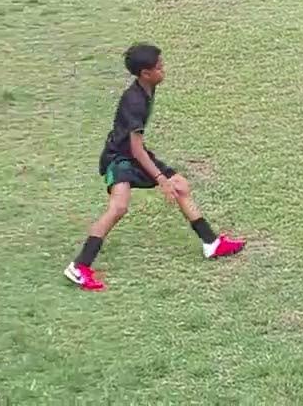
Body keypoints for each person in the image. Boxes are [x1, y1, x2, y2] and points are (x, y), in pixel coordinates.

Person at [64, 44, 245, 291]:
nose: (164, 70)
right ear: (145, 73)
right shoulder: (135, 101)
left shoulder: (148, 88)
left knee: (180, 185)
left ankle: (211, 243)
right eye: (159, 68)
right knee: (118, 207)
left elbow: (139, 149)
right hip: (119, 158)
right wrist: (161, 179)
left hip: (134, 154)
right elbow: (135, 148)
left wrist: (166, 179)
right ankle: (79, 266)